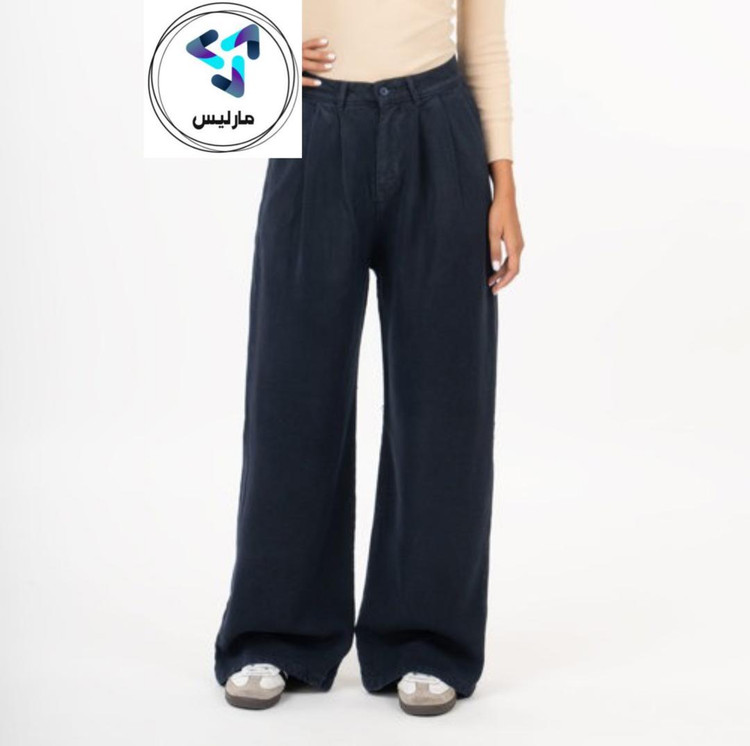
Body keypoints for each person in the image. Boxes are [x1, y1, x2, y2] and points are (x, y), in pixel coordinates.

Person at [214, 0, 525, 716]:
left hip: (439, 129)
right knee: (292, 392)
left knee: (444, 400)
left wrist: (504, 182)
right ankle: (275, 630)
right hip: (313, 124)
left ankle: (428, 638)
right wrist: (259, 41)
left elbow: (485, 42)